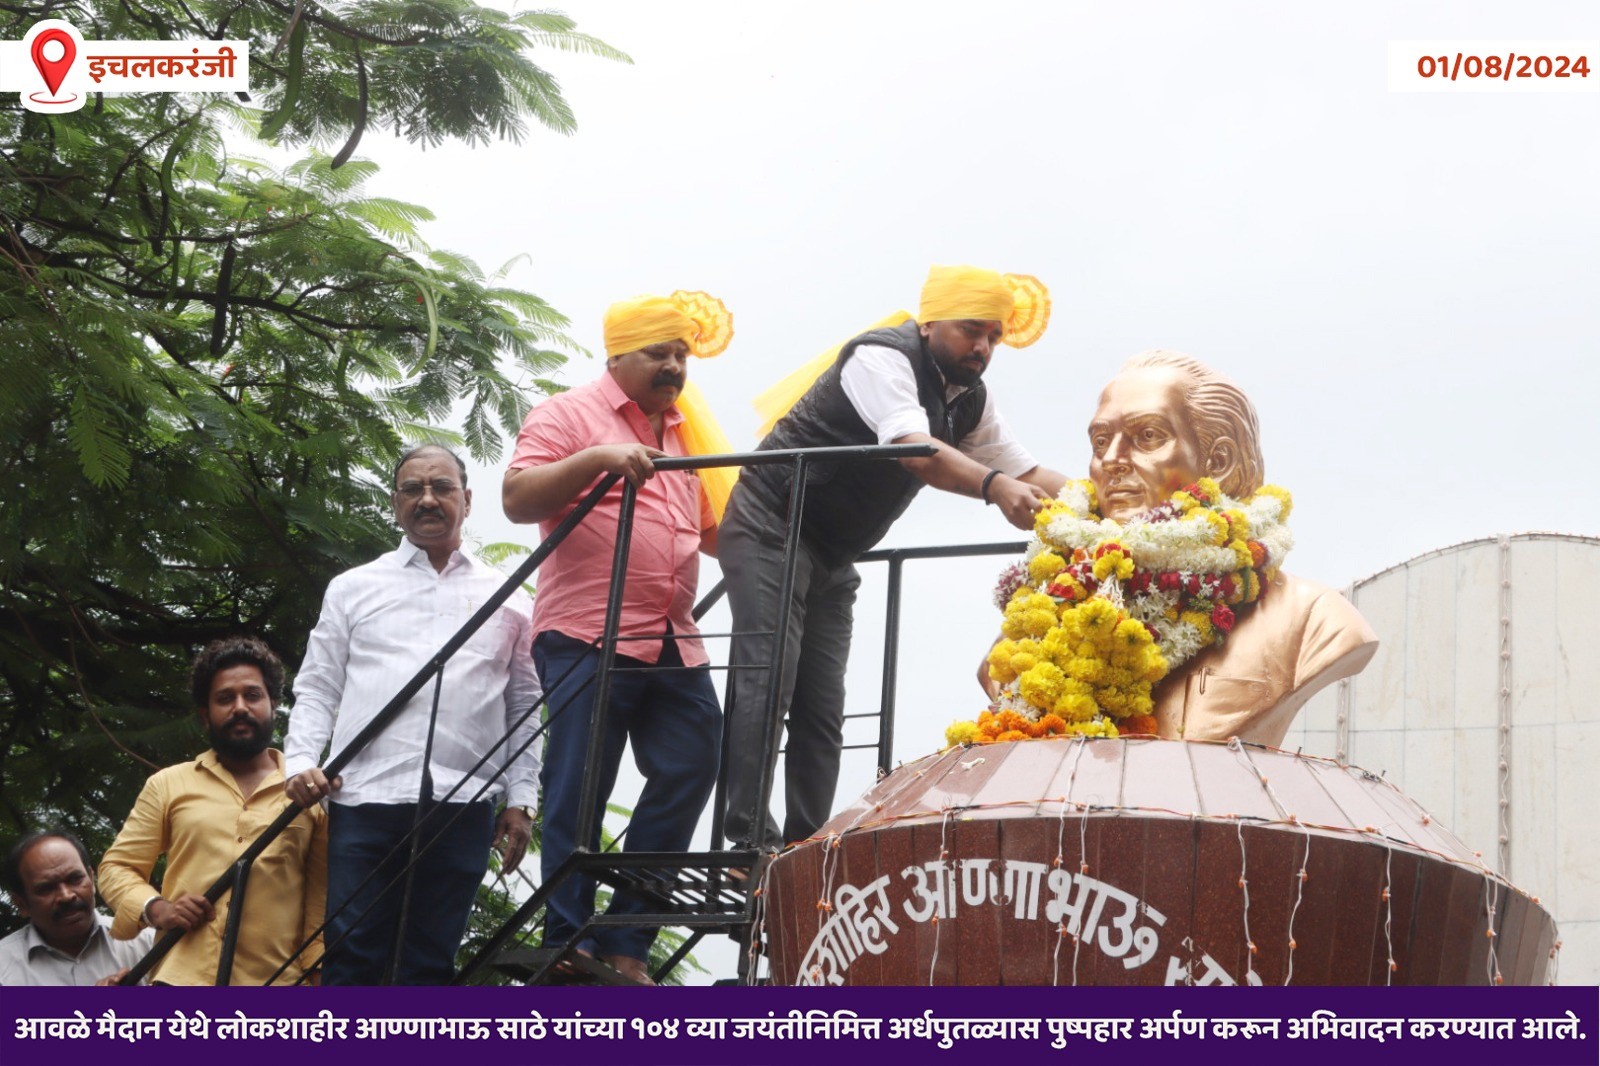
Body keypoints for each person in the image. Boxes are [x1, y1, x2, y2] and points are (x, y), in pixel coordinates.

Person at [720, 265, 1068, 850]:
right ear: (929, 321)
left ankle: (806, 845)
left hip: (834, 553)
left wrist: (1112, 503)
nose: (981, 347)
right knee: (769, 676)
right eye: (970, 330)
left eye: (993, 337)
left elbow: (1026, 471)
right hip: (770, 525)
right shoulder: (881, 358)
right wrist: (994, 488)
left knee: (824, 706)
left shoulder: (969, 399)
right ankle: (746, 839)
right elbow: (915, 451)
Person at [502, 291, 731, 985]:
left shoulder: (690, 433)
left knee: (694, 758)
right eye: (657, 353)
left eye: (681, 355)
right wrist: (599, 458)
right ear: (617, 355)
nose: (672, 367)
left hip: (670, 636)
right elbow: (517, 497)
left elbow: (722, 533)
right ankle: (567, 935)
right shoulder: (568, 414)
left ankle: (629, 937)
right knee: (581, 782)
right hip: (586, 633)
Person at [979, 349, 1378, 746]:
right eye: (1101, 441)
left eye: (1148, 436)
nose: (1113, 460)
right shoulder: (1033, 628)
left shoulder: (1312, 619)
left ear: (1217, 461)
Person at [284, 444, 540, 985]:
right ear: (395, 503)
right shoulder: (353, 587)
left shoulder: (510, 596)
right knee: (353, 954)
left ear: (467, 501)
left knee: (430, 961)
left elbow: (524, 705)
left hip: (464, 802)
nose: (427, 499)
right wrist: (300, 760)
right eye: (412, 489)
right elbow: (319, 684)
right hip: (364, 795)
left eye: (442, 487)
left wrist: (521, 799)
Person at [97, 637, 325, 985]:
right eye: (224, 698)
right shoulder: (168, 784)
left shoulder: (307, 794)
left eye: (252, 695)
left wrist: (316, 979)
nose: (239, 707)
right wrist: (159, 909)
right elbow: (116, 867)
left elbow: (318, 907)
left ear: (273, 705)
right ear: (205, 716)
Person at [0, 830, 155, 986]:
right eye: (46, 888)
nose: (66, 896)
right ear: (21, 904)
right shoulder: (4, 970)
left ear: (91, 878)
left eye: (75, 879)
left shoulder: (150, 944)